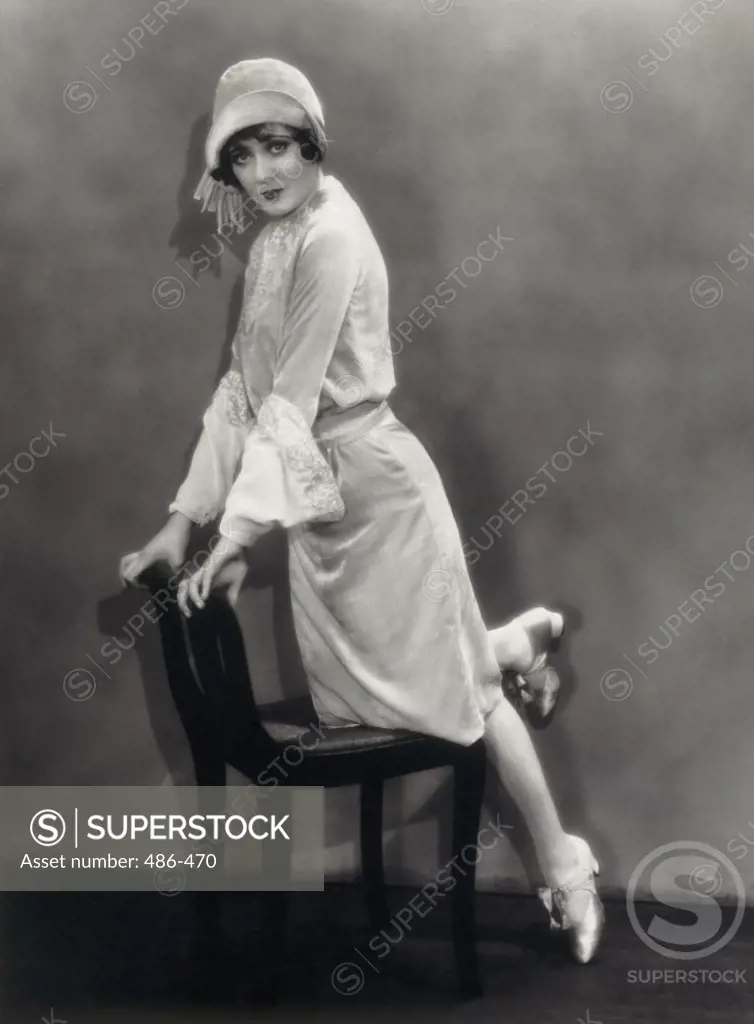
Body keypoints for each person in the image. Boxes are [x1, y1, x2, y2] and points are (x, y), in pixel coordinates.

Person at [119, 57, 604, 964]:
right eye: (245, 156)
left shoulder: (332, 233)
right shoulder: (271, 241)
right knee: (394, 698)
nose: (265, 172)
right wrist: (185, 520)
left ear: (310, 144)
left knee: (460, 695)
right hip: (317, 510)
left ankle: (564, 862)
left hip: (379, 494)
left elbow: (293, 400)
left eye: (280, 147)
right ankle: (518, 637)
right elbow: (243, 394)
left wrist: (238, 534)